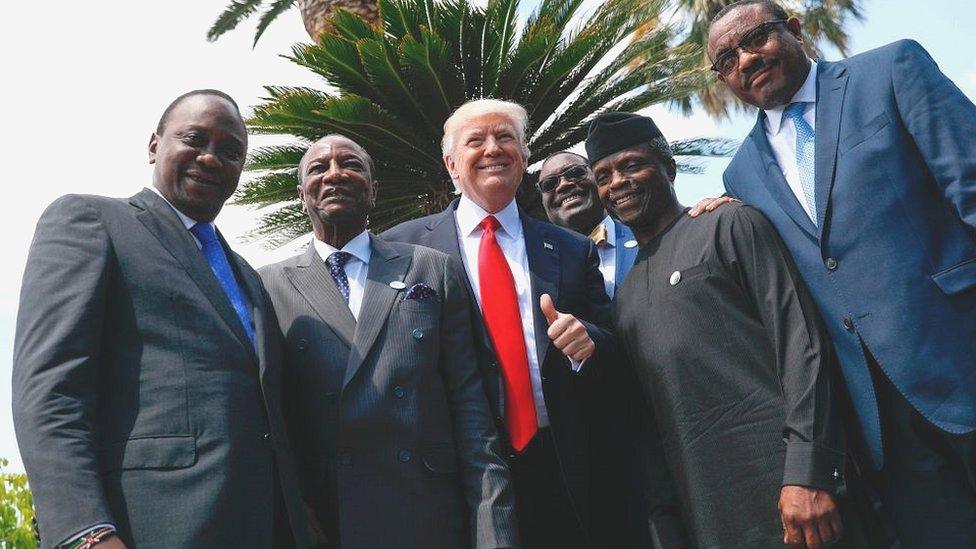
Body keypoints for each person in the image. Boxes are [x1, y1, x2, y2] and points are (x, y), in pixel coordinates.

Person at [705, 1, 976, 544]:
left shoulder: (890, 71)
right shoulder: (741, 175)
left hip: (960, 357)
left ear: (796, 30)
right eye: (727, 59)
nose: (746, 59)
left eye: (756, 38)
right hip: (881, 426)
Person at [12, 90, 308, 548]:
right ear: (154, 145)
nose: (210, 158)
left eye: (231, 152)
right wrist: (83, 531)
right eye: (194, 139)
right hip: (150, 524)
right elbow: (50, 388)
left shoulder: (247, 276)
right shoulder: (92, 220)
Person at [588, 111, 849, 548]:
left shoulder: (728, 225)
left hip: (797, 502)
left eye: (631, 165)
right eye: (603, 176)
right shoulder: (626, 296)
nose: (616, 183)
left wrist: (808, 470)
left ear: (668, 168)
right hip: (710, 515)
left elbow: (801, 344)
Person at [259, 134, 518, 549]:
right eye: (318, 168)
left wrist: (494, 532)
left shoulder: (431, 268)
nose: (335, 174)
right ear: (301, 194)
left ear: (373, 189)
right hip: (330, 521)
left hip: (427, 514)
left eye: (351, 164)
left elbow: (471, 410)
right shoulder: (267, 285)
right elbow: (268, 417)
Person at [383, 99, 621, 549]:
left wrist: (588, 342)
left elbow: (613, 342)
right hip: (457, 476)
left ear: (525, 159)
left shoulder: (570, 249)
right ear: (452, 164)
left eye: (506, 137)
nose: (493, 149)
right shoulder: (401, 249)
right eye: (476, 140)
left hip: (564, 470)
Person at [537, 151, 639, 297]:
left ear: (598, 177)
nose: (564, 185)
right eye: (549, 183)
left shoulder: (647, 239)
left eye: (575, 172)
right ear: (542, 201)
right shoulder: (537, 266)